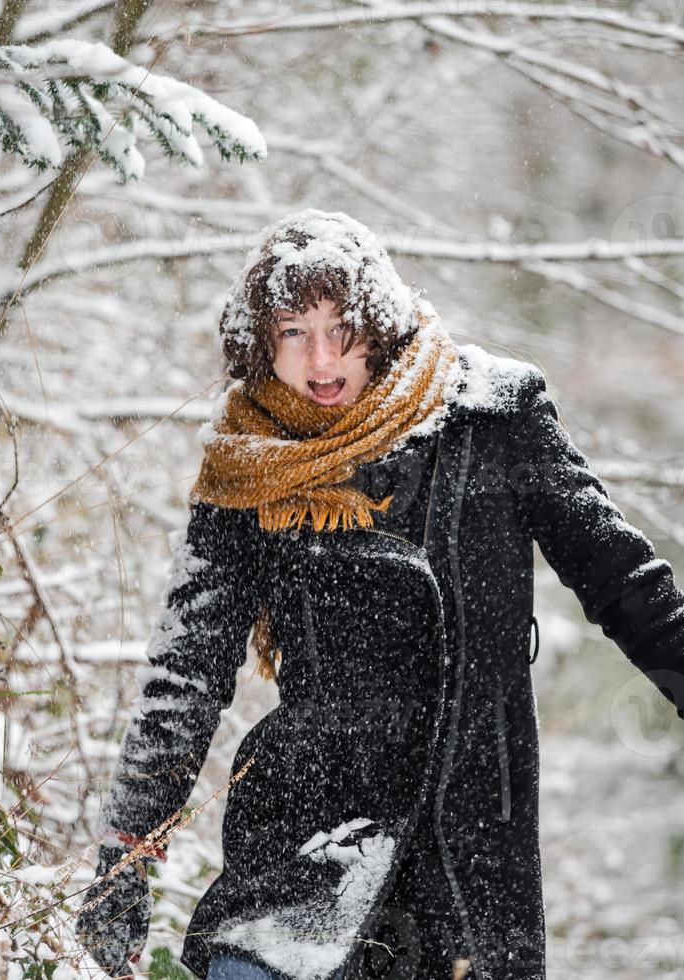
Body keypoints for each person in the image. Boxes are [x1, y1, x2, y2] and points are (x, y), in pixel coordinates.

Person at [75, 209, 684, 980]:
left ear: (380, 326)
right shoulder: (249, 459)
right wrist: (125, 858)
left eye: (341, 330)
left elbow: (627, 584)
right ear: (261, 341)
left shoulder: (492, 417)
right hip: (305, 826)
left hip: (464, 824)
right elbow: (185, 675)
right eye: (294, 332)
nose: (321, 360)